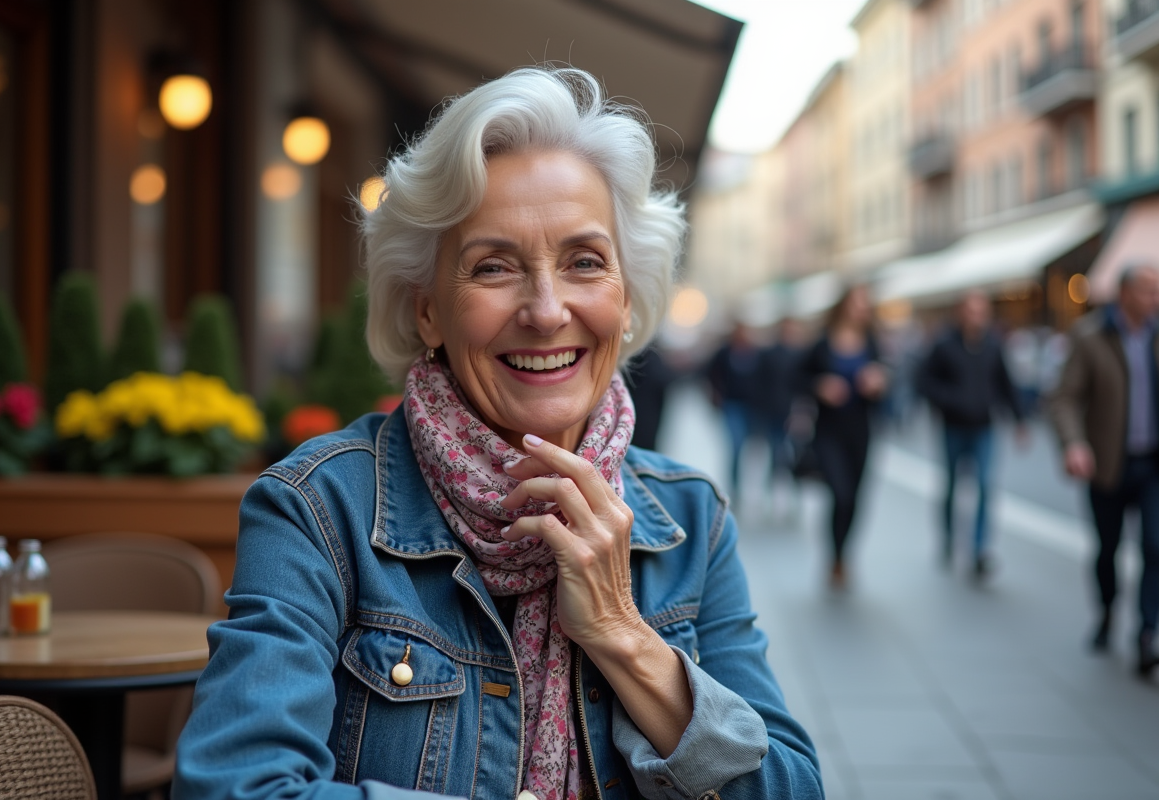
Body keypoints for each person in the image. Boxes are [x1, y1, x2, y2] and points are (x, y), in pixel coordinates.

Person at [173, 67, 821, 799]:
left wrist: (622, 634)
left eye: (584, 262)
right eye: (493, 266)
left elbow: (791, 787)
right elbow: (234, 787)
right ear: (426, 312)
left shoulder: (692, 521)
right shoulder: (319, 510)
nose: (546, 310)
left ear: (629, 298)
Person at [1050, 264, 1159, 678]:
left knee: (1155, 546)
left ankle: (1148, 631)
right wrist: (1074, 444)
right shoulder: (1090, 336)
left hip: (1153, 463)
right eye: (1149, 291)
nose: (1155, 298)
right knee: (1107, 547)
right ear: (1125, 294)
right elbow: (1063, 398)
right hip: (1108, 463)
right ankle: (1107, 612)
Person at [916, 290, 1027, 578]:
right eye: (971, 311)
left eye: (981, 311)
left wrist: (1019, 420)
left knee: (985, 486)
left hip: (984, 426)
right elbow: (924, 381)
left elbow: (1006, 383)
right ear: (960, 312)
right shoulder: (944, 346)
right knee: (952, 485)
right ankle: (950, 538)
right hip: (953, 426)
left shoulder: (992, 345)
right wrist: (950, 400)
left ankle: (979, 549)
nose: (976, 317)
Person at [799, 285, 887, 589]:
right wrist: (820, 386)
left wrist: (878, 384)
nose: (863, 309)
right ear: (845, 305)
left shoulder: (872, 342)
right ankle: (834, 555)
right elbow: (798, 377)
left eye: (867, 304)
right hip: (828, 432)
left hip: (860, 431)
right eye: (858, 303)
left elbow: (886, 380)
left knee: (855, 498)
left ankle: (842, 554)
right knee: (841, 493)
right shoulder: (823, 342)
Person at [706, 321, 764, 498]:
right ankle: (735, 484)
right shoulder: (724, 352)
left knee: (750, 446)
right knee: (736, 444)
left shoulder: (756, 353)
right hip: (731, 404)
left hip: (751, 406)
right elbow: (711, 373)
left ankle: (745, 482)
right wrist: (716, 394)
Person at [756, 317, 803, 522]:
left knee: (795, 458)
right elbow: (760, 383)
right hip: (773, 413)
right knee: (775, 456)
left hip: (794, 414)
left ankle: (794, 500)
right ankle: (771, 499)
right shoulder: (769, 354)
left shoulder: (801, 354)